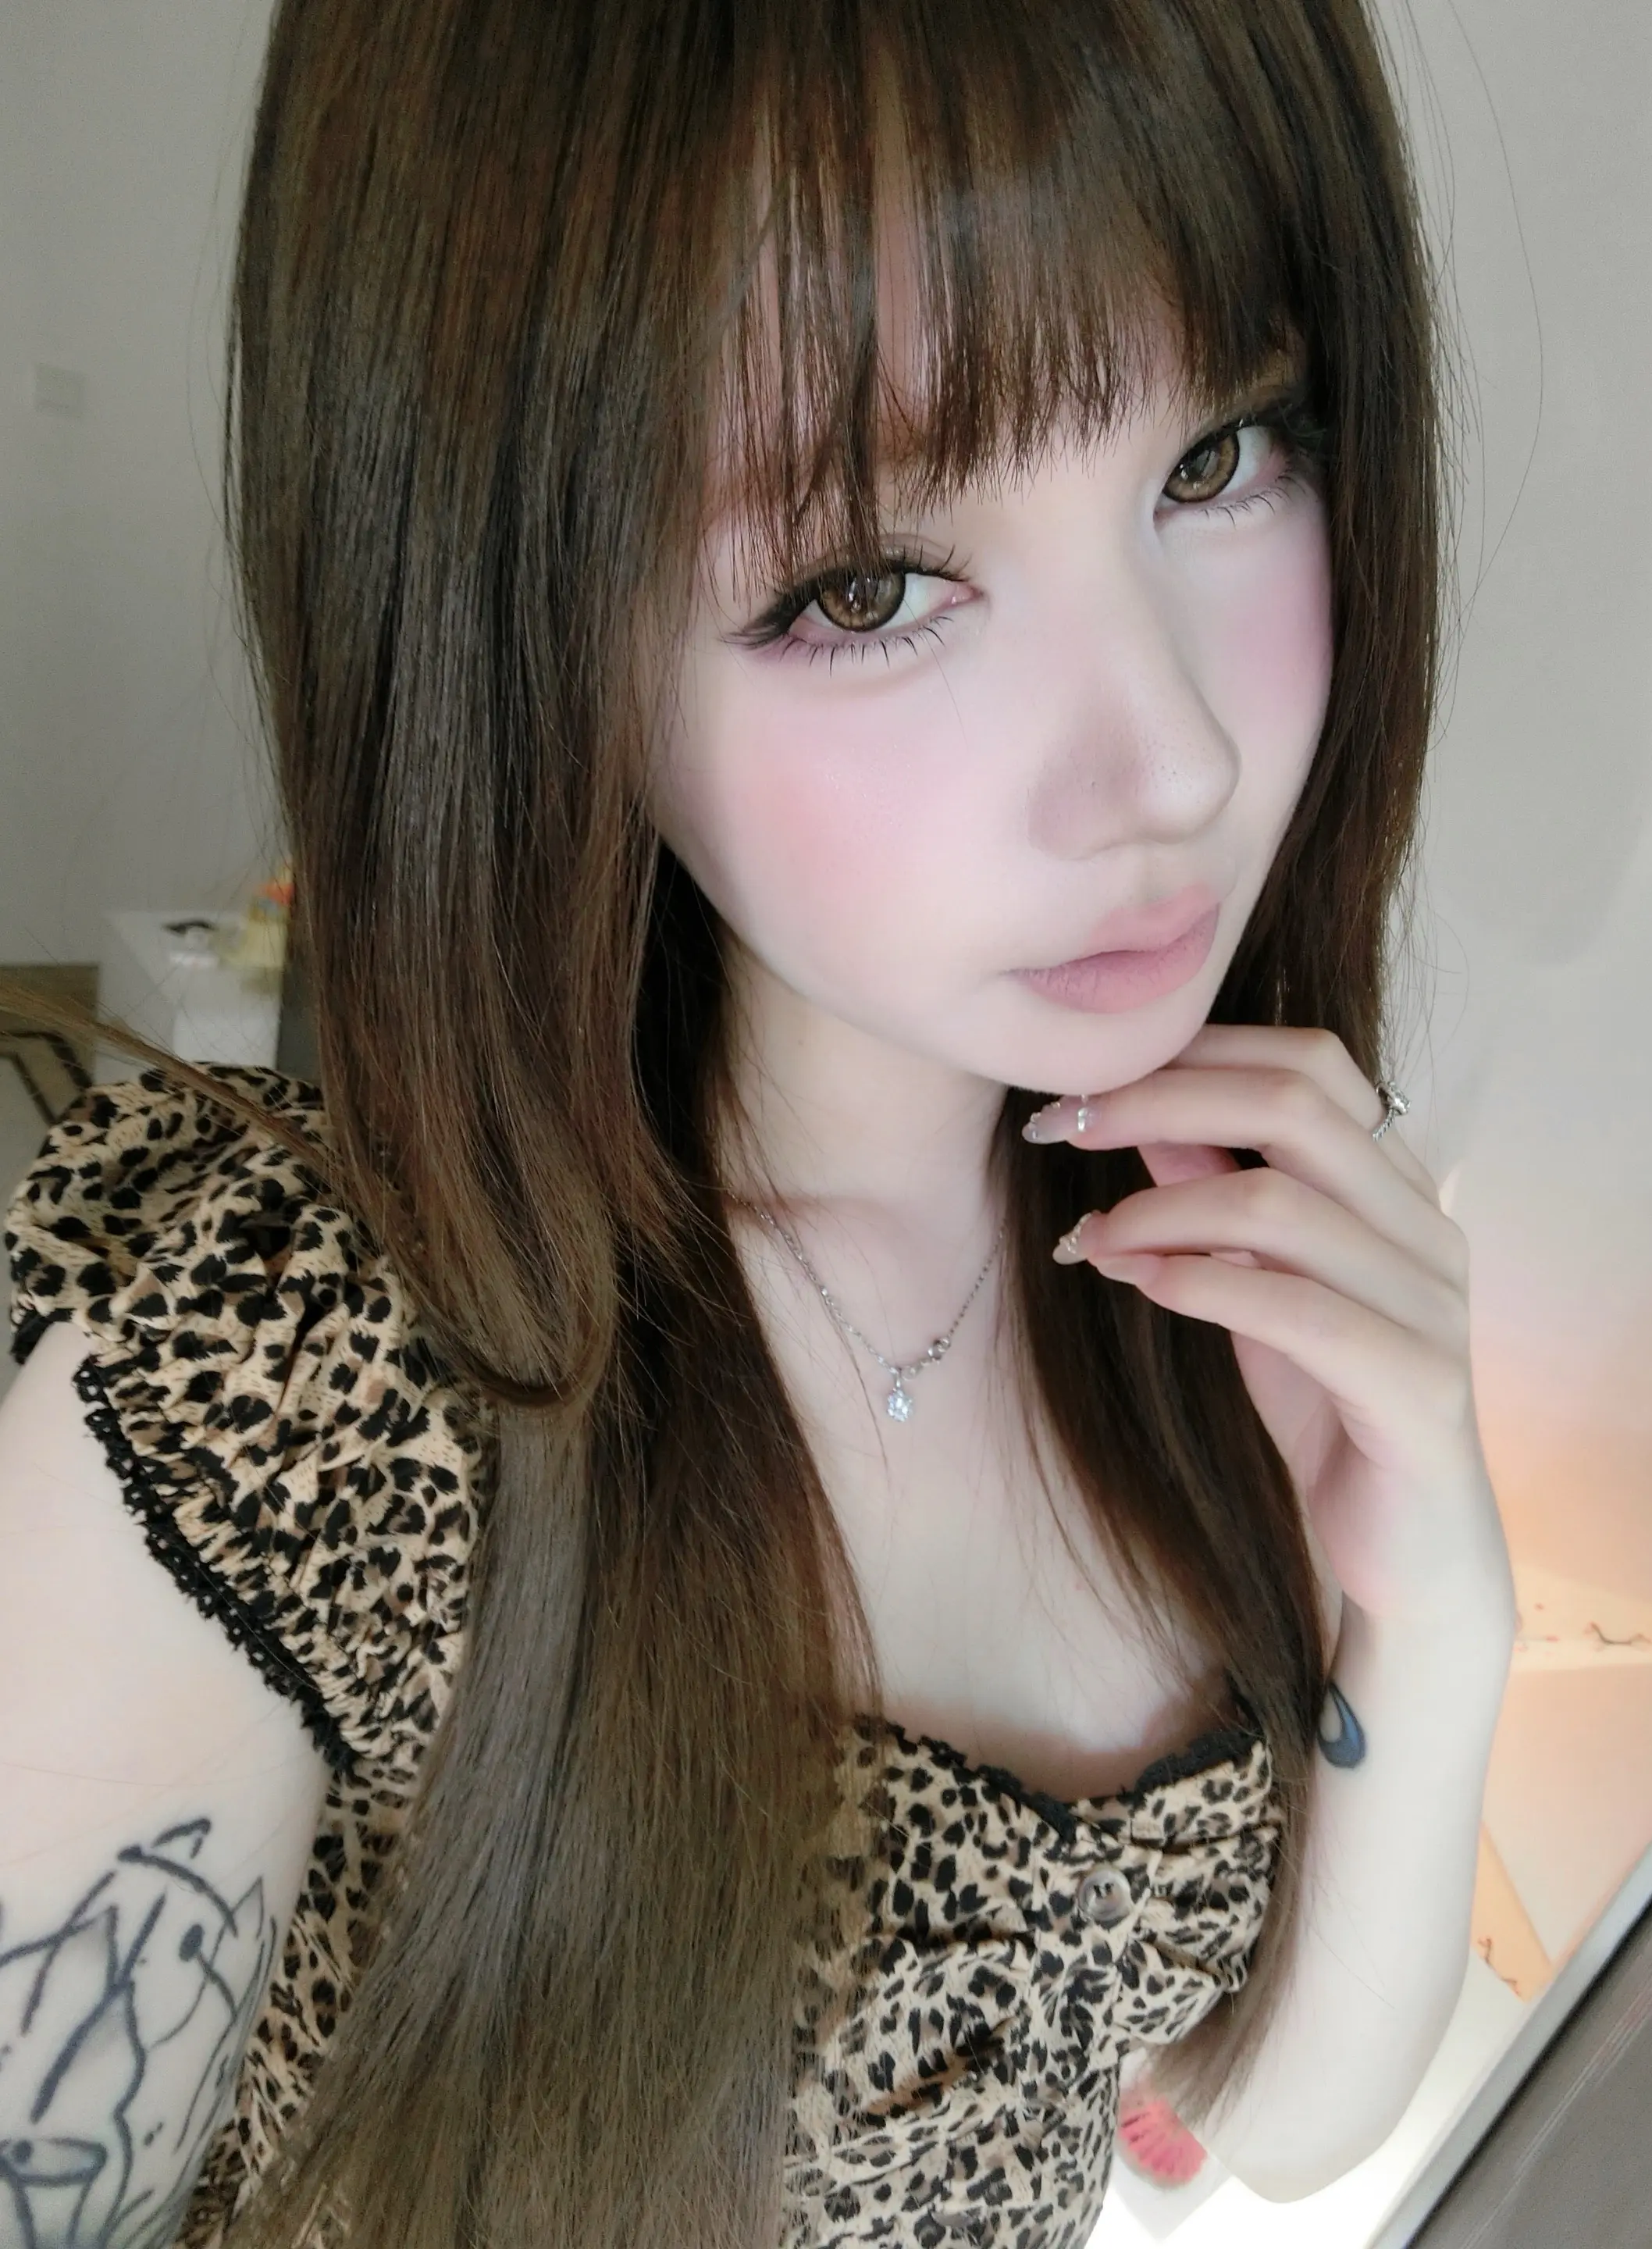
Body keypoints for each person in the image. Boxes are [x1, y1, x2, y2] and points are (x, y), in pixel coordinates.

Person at [0, 2, 1519, 2244]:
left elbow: (1261, 2113)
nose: (1173, 761)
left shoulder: (1213, 1235)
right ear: (527, 634)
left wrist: (1436, 1604)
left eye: (1218, 459)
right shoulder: (293, 1388)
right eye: (872, 586)